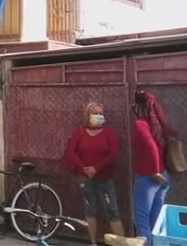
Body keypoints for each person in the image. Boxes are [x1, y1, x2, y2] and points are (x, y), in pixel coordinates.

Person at [63, 102, 125, 246]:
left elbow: (113, 153)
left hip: (105, 177)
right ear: (87, 115)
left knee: (112, 209)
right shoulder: (79, 131)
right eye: (95, 113)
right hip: (85, 177)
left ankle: (121, 242)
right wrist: (84, 168)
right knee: (90, 210)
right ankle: (93, 242)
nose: (98, 116)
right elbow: (71, 151)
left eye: (100, 114)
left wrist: (96, 168)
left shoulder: (109, 132)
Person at [132, 90, 174, 245]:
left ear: (138, 106)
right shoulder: (159, 125)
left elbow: (151, 148)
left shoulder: (140, 125)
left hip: (148, 176)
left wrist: (154, 170)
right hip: (164, 177)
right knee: (156, 221)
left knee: (142, 221)